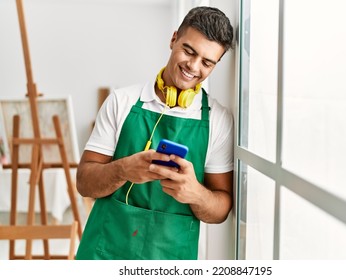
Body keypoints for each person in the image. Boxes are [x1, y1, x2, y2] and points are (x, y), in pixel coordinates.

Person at [75, 6, 234, 260]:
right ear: (173, 40)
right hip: (104, 252)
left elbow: (221, 207)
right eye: (188, 51)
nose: (193, 66)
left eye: (206, 62)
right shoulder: (121, 102)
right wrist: (123, 170)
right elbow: (84, 182)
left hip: (171, 258)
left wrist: (196, 192)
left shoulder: (218, 120)